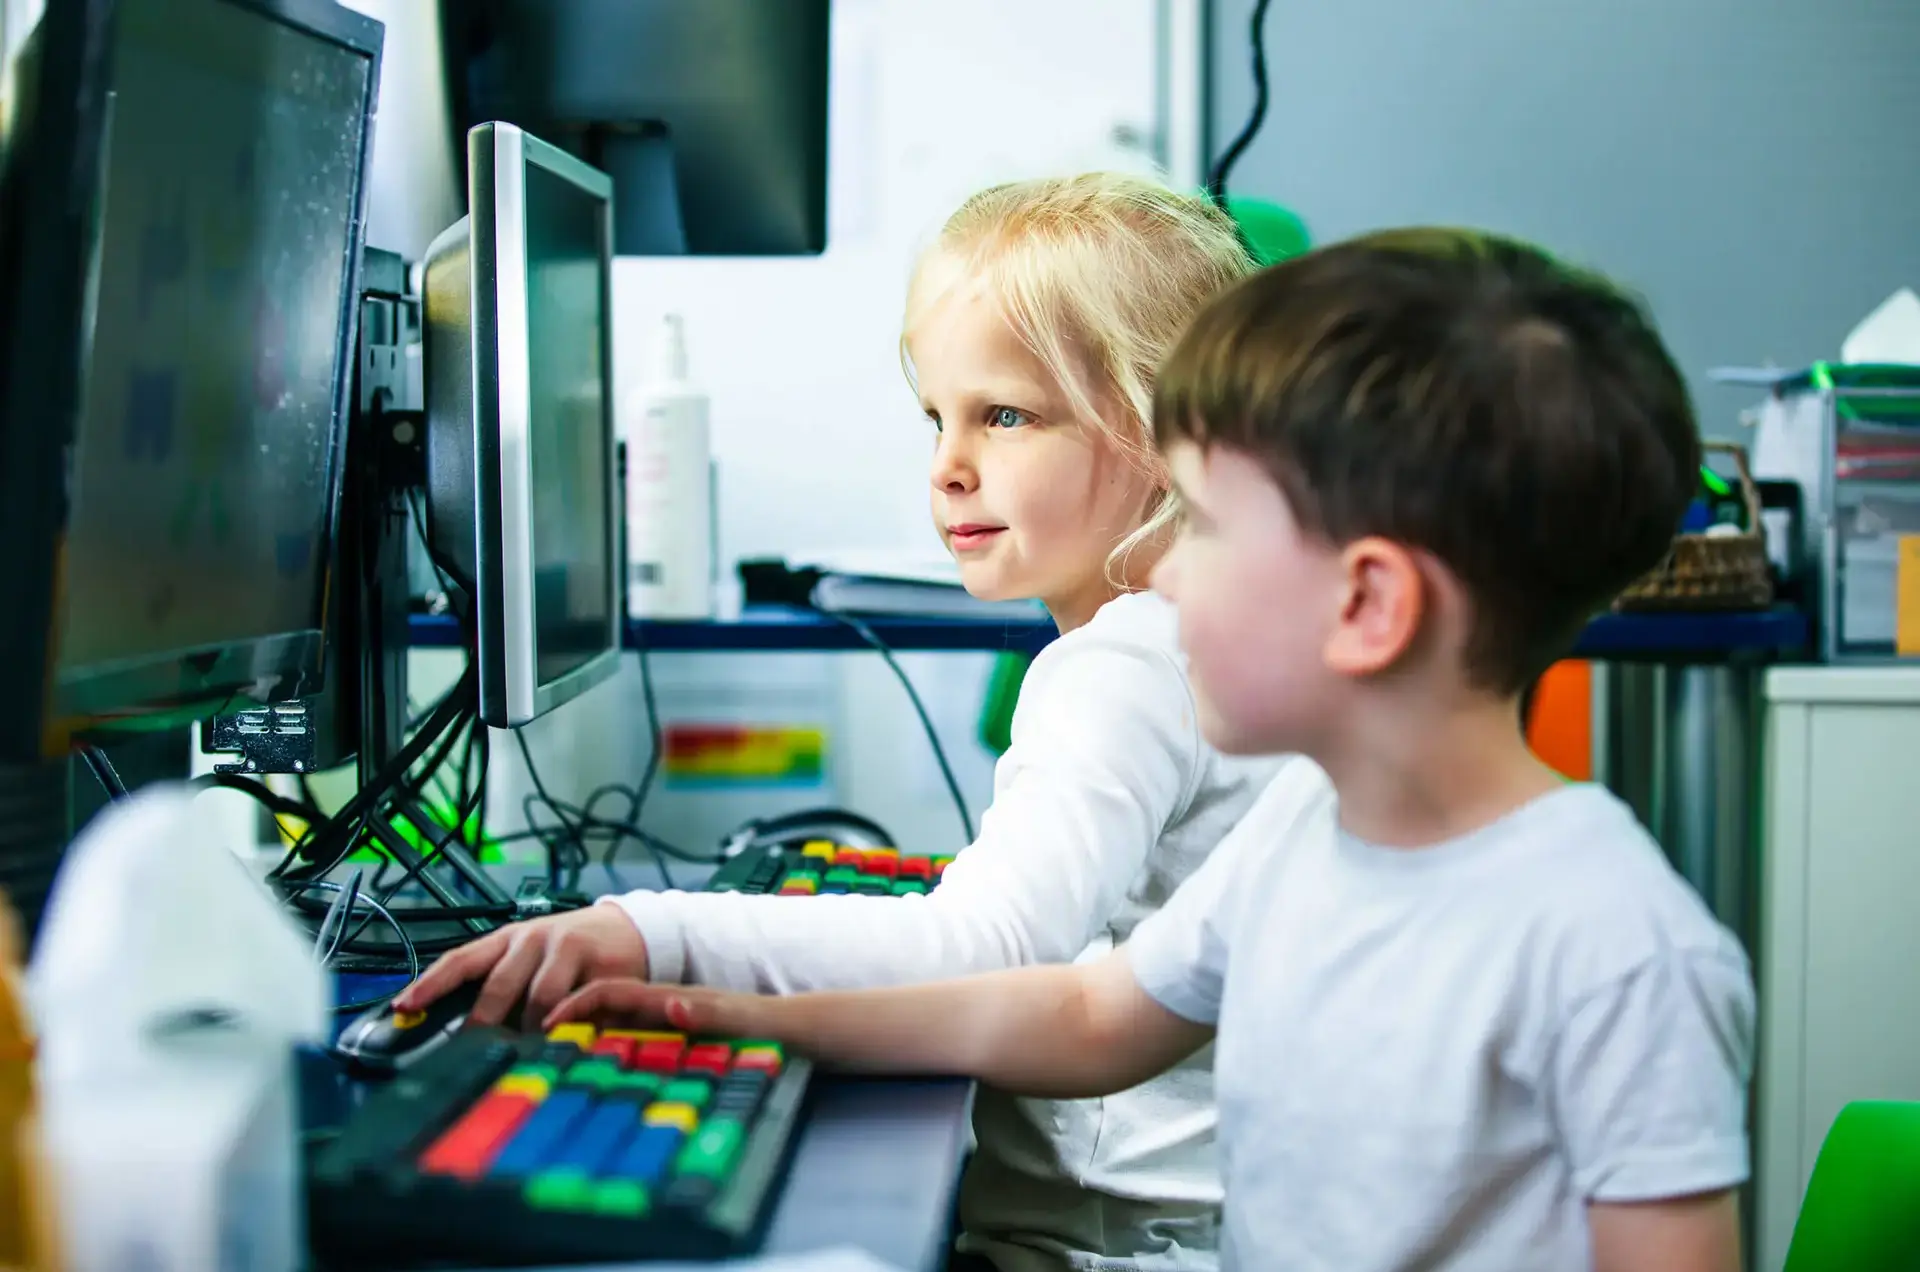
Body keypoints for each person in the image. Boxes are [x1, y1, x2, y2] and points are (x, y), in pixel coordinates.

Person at [544, 229, 1758, 1272]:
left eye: (1211, 529)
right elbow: (1086, 1015)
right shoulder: (1305, 829)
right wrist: (713, 1009)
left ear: (1369, 606)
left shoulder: (1621, 953)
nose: (1166, 572)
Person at [399, 172, 1284, 1271]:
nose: (948, 466)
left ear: (1169, 431)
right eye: (937, 418)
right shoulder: (1244, 640)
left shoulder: (1124, 666)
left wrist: (650, 932)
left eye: (1005, 415)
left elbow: (989, 946)